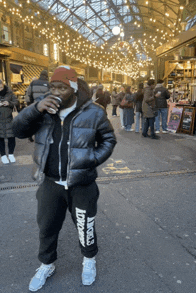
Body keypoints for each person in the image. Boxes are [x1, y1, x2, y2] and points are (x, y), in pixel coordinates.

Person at [12, 66, 117, 292]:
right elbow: (18, 130)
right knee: (47, 227)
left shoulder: (94, 112)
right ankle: (47, 264)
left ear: (74, 88)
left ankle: (89, 260)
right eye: (53, 87)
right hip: (50, 182)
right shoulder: (42, 109)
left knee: (85, 226)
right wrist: (35, 109)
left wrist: (90, 159)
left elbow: (108, 140)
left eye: (62, 87)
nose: (56, 92)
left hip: (82, 184)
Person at [0, 78, 18, 163]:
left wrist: (9, 103)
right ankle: (3, 155)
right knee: (0, 138)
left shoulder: (9, 92)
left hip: (9, 118)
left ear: (3, 85)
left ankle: (11, 154)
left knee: (11, 137)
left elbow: (16, 102)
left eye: (1, 87)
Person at [26, 71, 49, 142]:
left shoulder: (33, 83)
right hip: (45, 105)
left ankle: (30, 135)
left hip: (34, 105)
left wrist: (29, 104)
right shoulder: (49, 84)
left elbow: (28, 94)